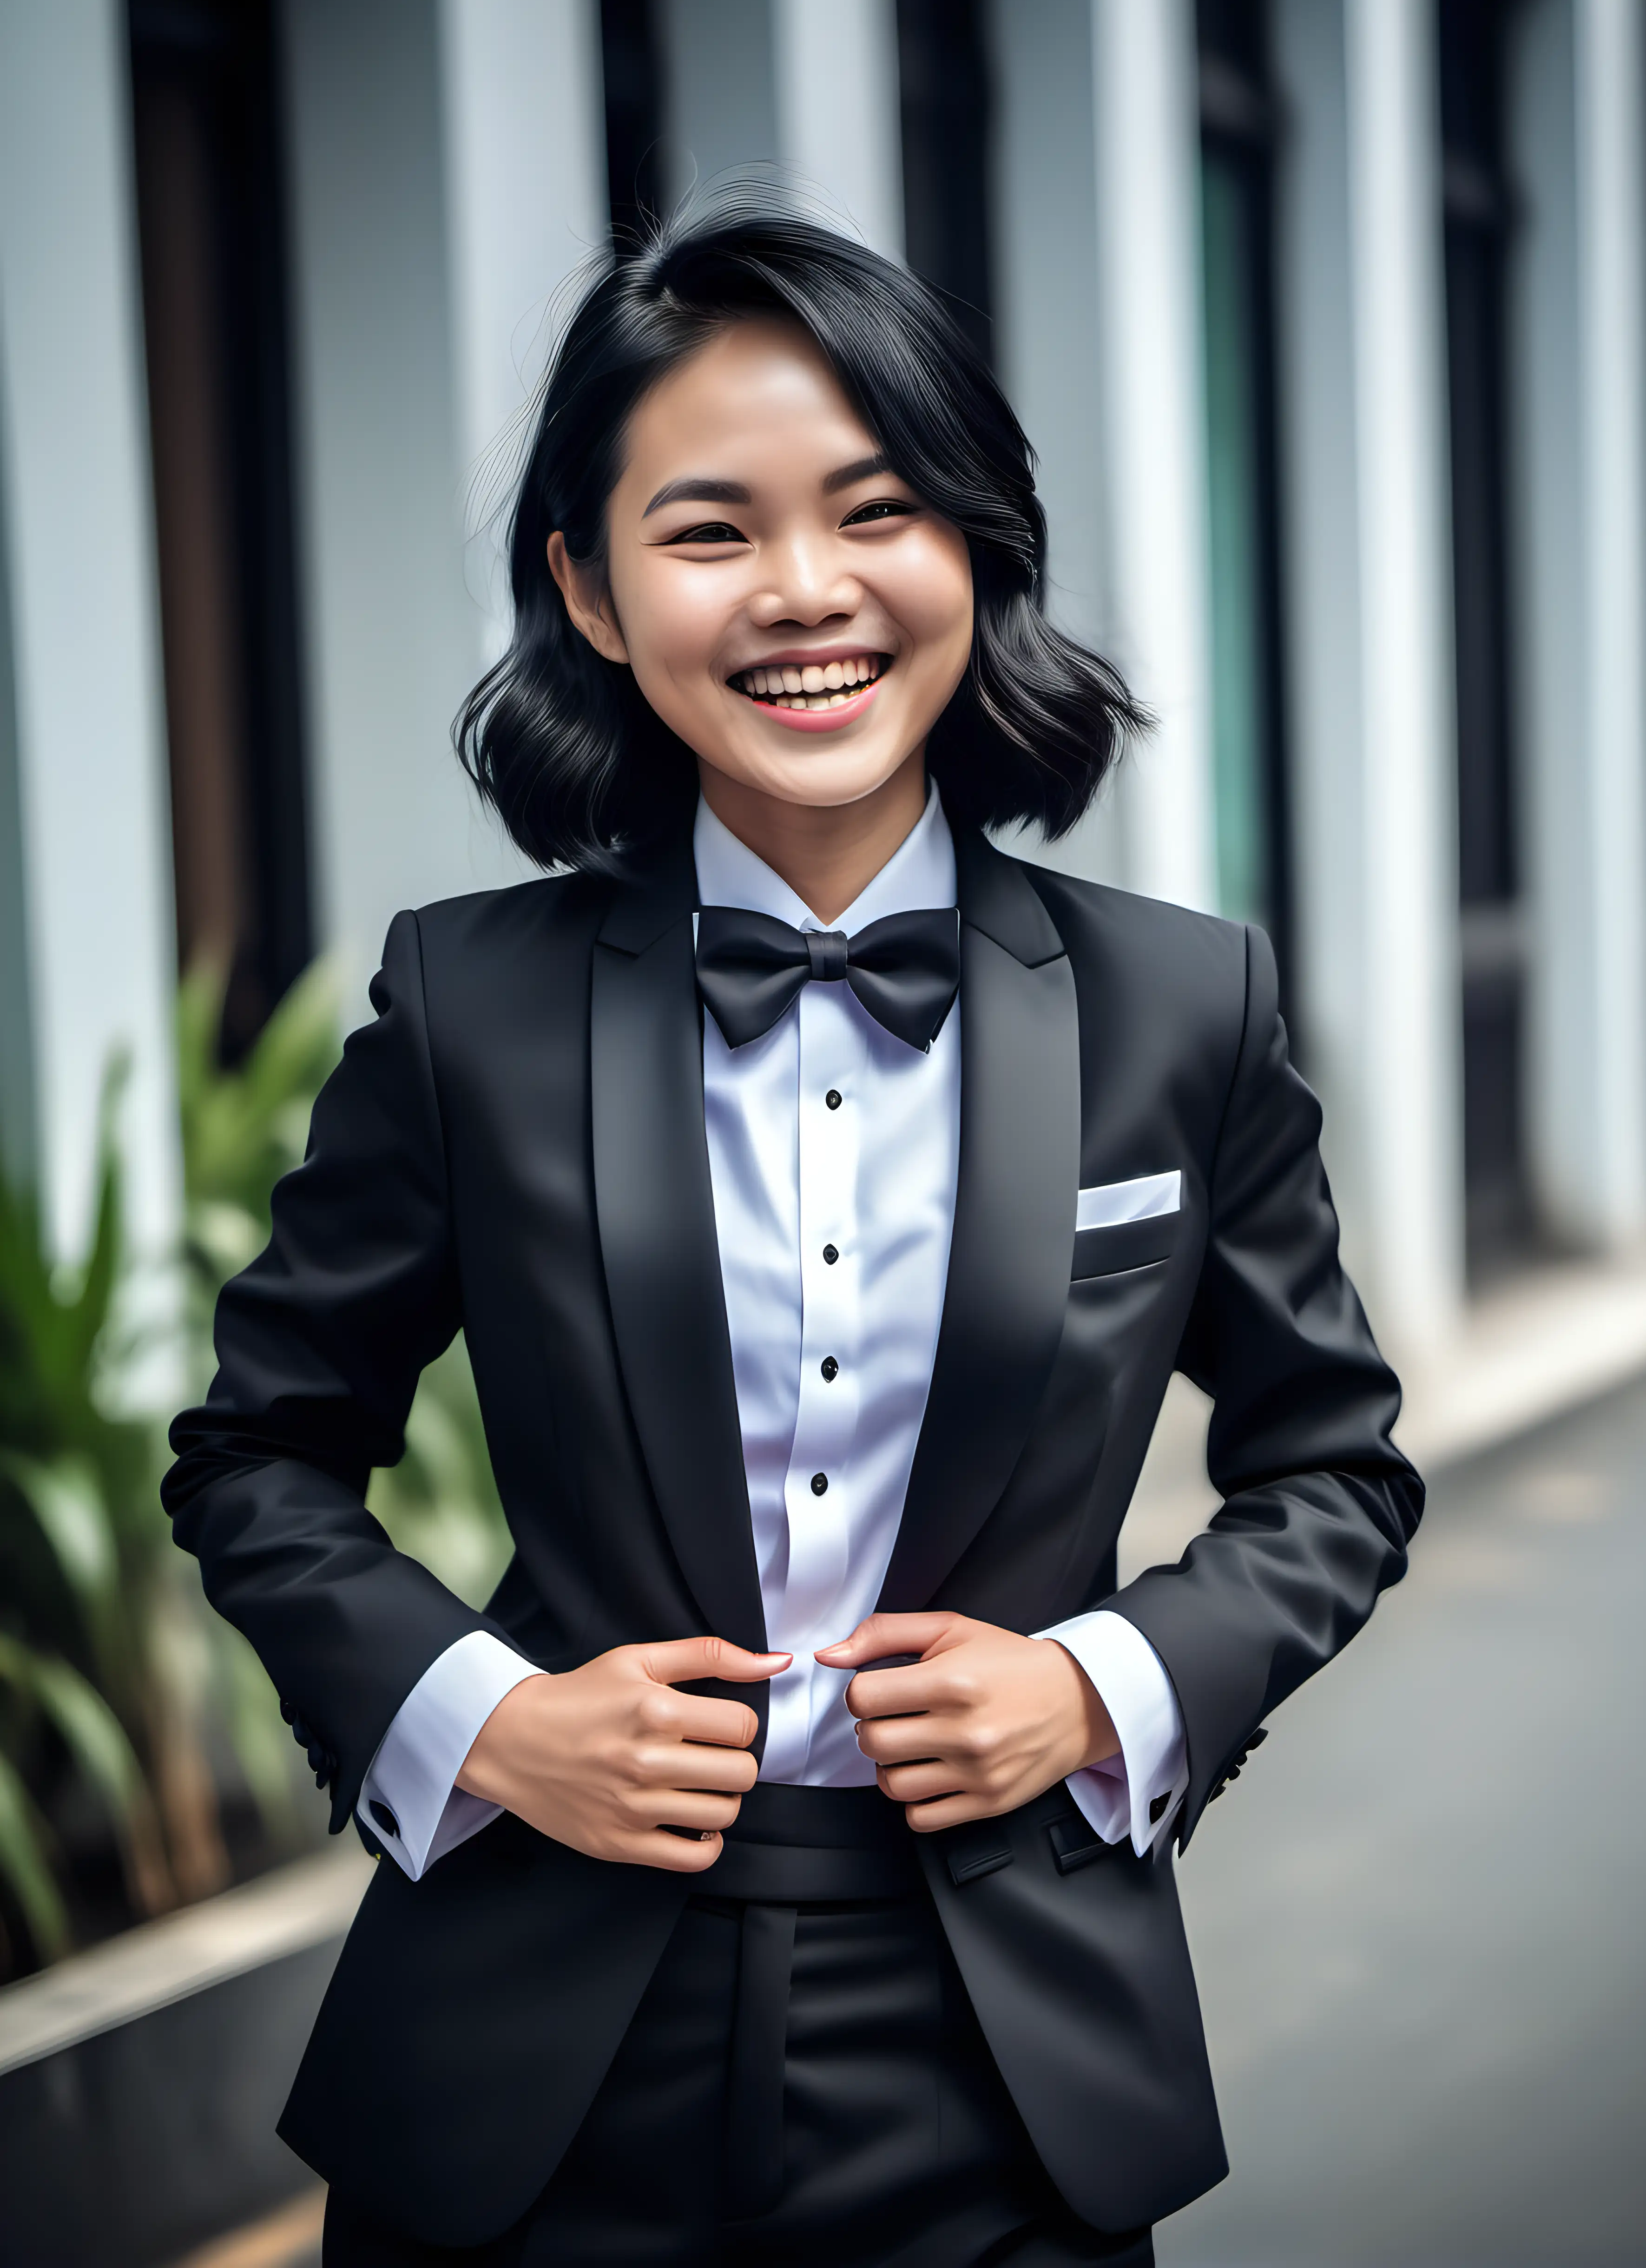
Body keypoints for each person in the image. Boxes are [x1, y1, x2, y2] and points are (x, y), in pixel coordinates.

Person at [164, 206, 1422, 2267]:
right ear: (585, 584)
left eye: (876, 509)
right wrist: (485, 1715)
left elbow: (1337, 1466)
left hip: (1008, 2057)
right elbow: (256, 1451)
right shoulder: (463, 1006)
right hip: (529, 2051)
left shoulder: (1182, 1010)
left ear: (976, 548)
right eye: (709, 529)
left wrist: (1100, 1686)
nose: (807, 593)